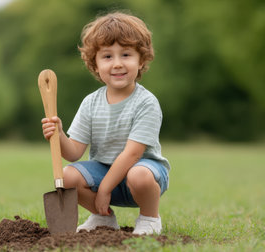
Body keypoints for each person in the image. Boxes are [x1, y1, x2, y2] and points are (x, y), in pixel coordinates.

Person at [41, 11, 170, 235]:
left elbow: (132, 155)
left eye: (126, 54)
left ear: (141, 60)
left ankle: (150, 219)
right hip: (103, 172)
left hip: (143, 175)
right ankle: (104, 219)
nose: (117, 64)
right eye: (108, 56)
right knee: (68, 174)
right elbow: (73, 153)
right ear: (95, 64)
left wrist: (105, 189)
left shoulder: (146, 103)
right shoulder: (91, 103)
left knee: (138, 175)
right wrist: (59, 134)